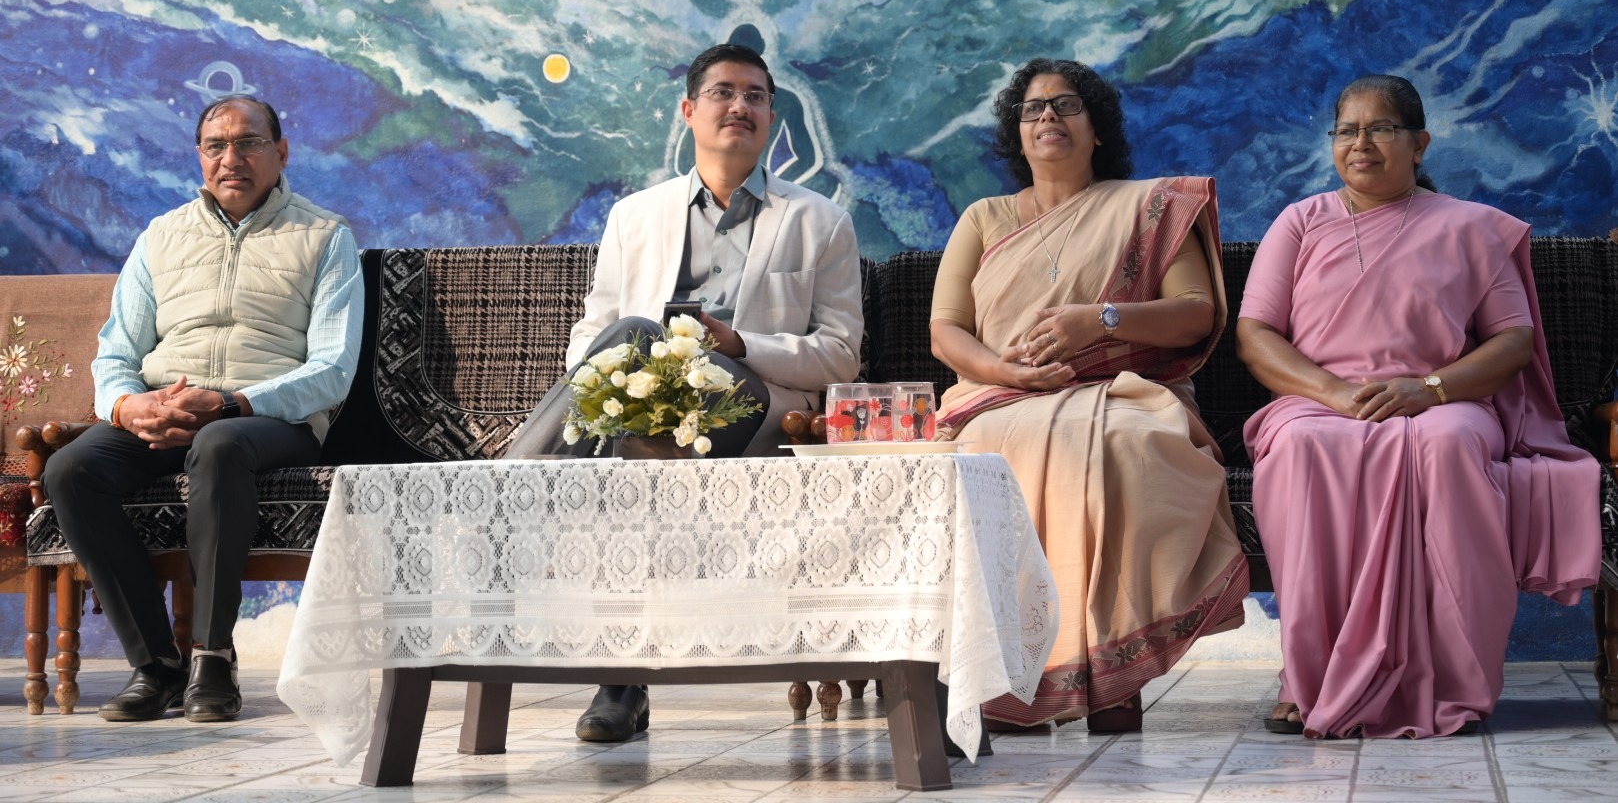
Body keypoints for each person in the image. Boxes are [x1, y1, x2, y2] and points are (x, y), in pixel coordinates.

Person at [506, 41, 863, 742]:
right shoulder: (635, 216)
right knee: (636, 399)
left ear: (771, 117)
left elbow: (842, 356)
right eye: (724, 92)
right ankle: (621, 682)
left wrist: (740, 345)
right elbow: (594, 333)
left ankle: (513, 489)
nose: (741, 106)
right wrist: (611, 385)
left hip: (750, 402)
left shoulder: (821, 221)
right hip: (643, 406)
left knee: (638, 338)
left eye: (756, 96)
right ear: (689, 110)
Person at [1237, 74, 1599, 739]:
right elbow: (1256, 334)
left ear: (1420, 143)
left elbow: (1512, 341)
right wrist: (1334, 393)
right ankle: (1311, 680)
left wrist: (1426, 390)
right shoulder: (1300, 222)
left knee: (1448, 443)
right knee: (1300, 447)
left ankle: (1451, 684)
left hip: (1443, 398)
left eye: (1381, 128)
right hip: (1319, 401)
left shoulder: (1470, 228)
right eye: (1347, 130)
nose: (1361, 143)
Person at [930, 58, 1249, 732]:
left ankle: (1112, 679)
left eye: (1067, 105)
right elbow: (946, 330)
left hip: (1123, 393)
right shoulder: (984, 218)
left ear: (1097, 128)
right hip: (1001, 397)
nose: (1048, 116)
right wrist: (1007, 374)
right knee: (979, 457)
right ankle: (1005, 679)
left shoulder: (1150, 208)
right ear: (1017, 135)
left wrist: (1100, 320)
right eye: (1033, 109)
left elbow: (1195, 312)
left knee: (1126, 447)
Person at [44, 96, 362, 723]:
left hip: (268, 418)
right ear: (199, 156)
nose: (231, 158)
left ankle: (213, 657)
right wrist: (128, 407)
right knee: (71, 470)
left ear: (281, 152)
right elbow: (116, 353)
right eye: (216, 146)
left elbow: (332, 369)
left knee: (219, 445)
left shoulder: (325, 236)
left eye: (249, 143)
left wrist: (233, 403)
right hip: (167, 409)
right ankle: (156, 666)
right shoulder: (161, 237)